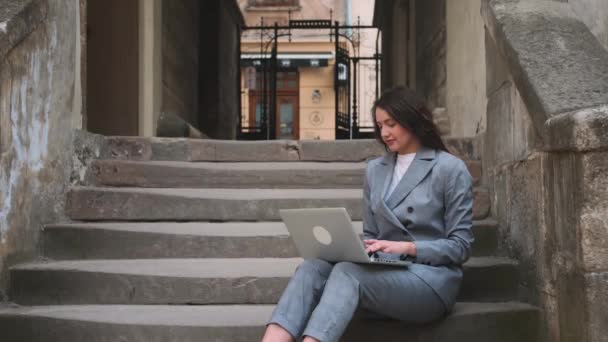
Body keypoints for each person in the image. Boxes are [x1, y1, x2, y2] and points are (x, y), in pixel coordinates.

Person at [261, 85, 475, 342]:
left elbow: (460, 247)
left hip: (431, 280)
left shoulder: (449, 169)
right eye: (380, 125)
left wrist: (405, 247)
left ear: (413, 120)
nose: (384, 133)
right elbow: (373, 236)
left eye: (391, 124)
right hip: (386, 271)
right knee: (312, 268)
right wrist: (354, 248)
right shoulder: (375, 170)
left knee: (347, 272)